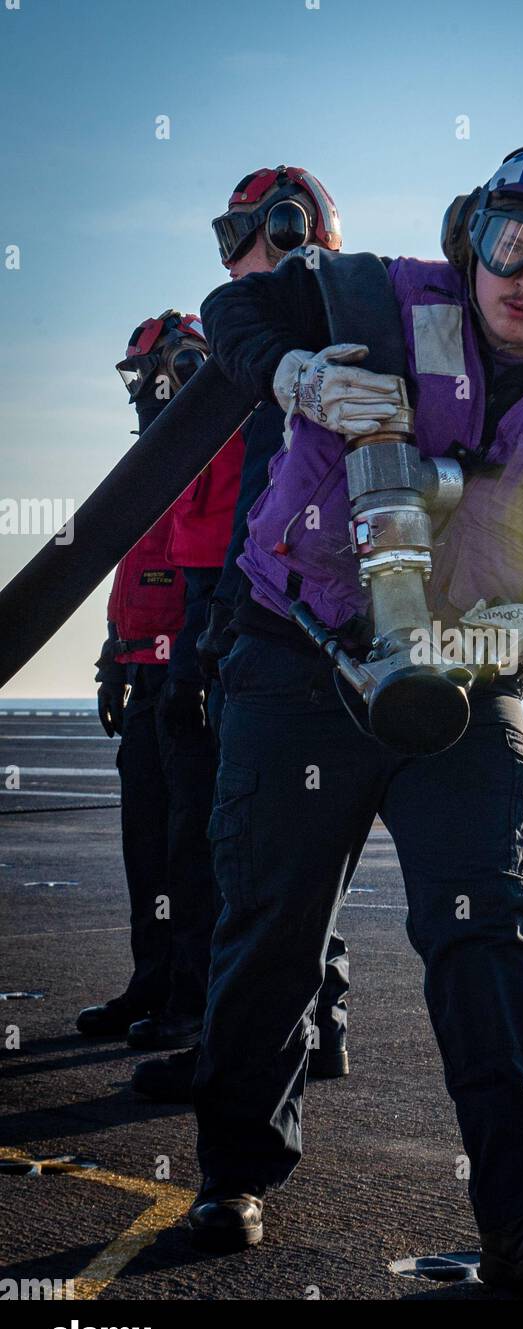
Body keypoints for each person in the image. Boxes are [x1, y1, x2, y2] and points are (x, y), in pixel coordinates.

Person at [187, 145, 523, 1290]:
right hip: (301, 662)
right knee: (270, 927)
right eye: (509, 249)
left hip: (465, 691)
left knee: (492, 928)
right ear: (471, 232)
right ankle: (233, 1172)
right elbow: (233, 305)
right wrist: (292, 373)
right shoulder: (368, 296)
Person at [134, 167, 352, 1103]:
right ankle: (302, 1029)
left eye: (243, 230)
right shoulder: (284, 348)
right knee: (279, 853)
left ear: (292, 226)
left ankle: (265, 1043)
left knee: (257, 853)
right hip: (274, 619)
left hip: (286, 630)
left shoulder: (313, 339)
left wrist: (218, 631)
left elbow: (264, 508)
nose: (231, 255)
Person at [79, 315, 242, 1053]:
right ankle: (153, 983)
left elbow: (207, 571)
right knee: (145, 846)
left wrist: (190, 672)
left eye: (139, 373)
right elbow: (134, 574)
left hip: (188, 683)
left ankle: (192, 998)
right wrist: (115, 656)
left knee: (189, 851)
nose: (136, 390)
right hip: (144, 675)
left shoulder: (210, 450)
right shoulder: (153, 462)